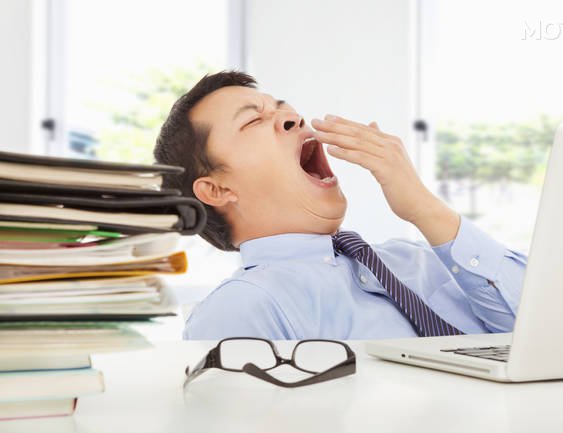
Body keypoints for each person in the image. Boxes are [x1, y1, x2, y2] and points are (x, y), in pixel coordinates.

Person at [154, 70, 527, 340]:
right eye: (253, 120)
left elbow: (547, 333)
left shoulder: (420, 259)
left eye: (283, 108)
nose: (292, 117)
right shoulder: (241, 309)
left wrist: (425, 209)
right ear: (217, 190)